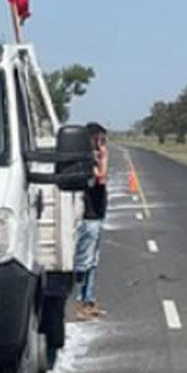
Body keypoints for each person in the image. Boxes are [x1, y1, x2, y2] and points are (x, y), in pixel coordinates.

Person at [73, 122, 110, 319]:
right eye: (101, 140)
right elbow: (101, 179)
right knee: (83, 262)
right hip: (88, 216)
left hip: (97, 214)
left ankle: (89, 299)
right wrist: (104, 158)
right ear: (93, 139)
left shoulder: (91, 159)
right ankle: (79, 303)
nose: (103, 144)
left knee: (92, 262)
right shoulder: (87, 160)